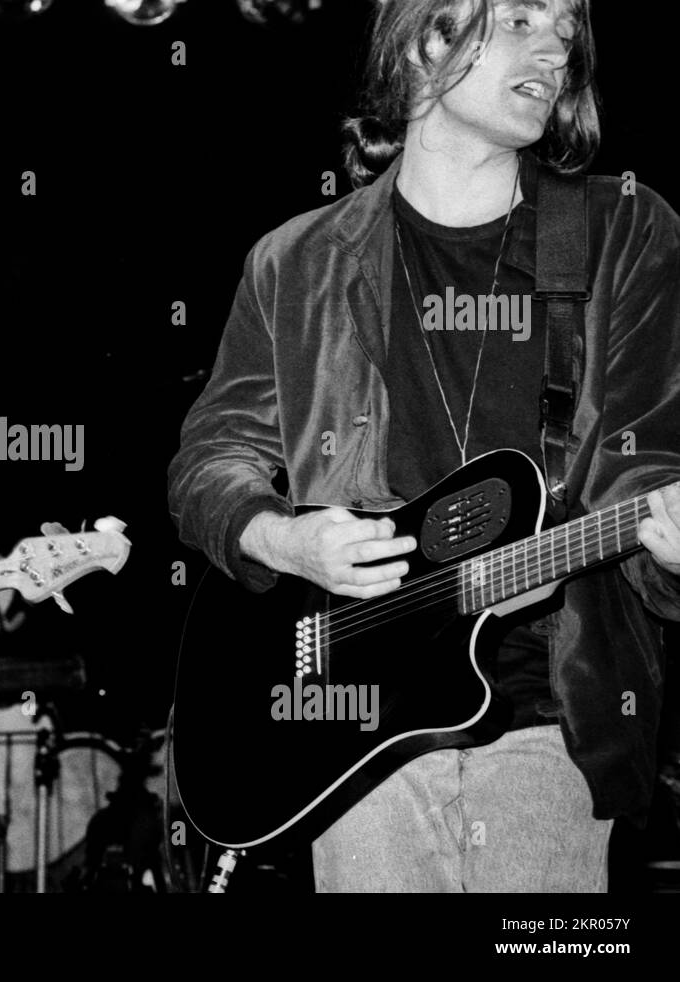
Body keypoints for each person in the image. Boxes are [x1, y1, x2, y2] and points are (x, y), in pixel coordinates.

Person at [169, 0, 680, 892]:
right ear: (427, 38)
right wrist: (280, 538)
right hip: (351, 735)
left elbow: (646, 465)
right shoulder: (297, 263)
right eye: (522, 17)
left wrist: (671, 553)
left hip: (549, 720)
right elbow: (209, 461)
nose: (557, 43)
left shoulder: (619, 231)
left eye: (567, 26)